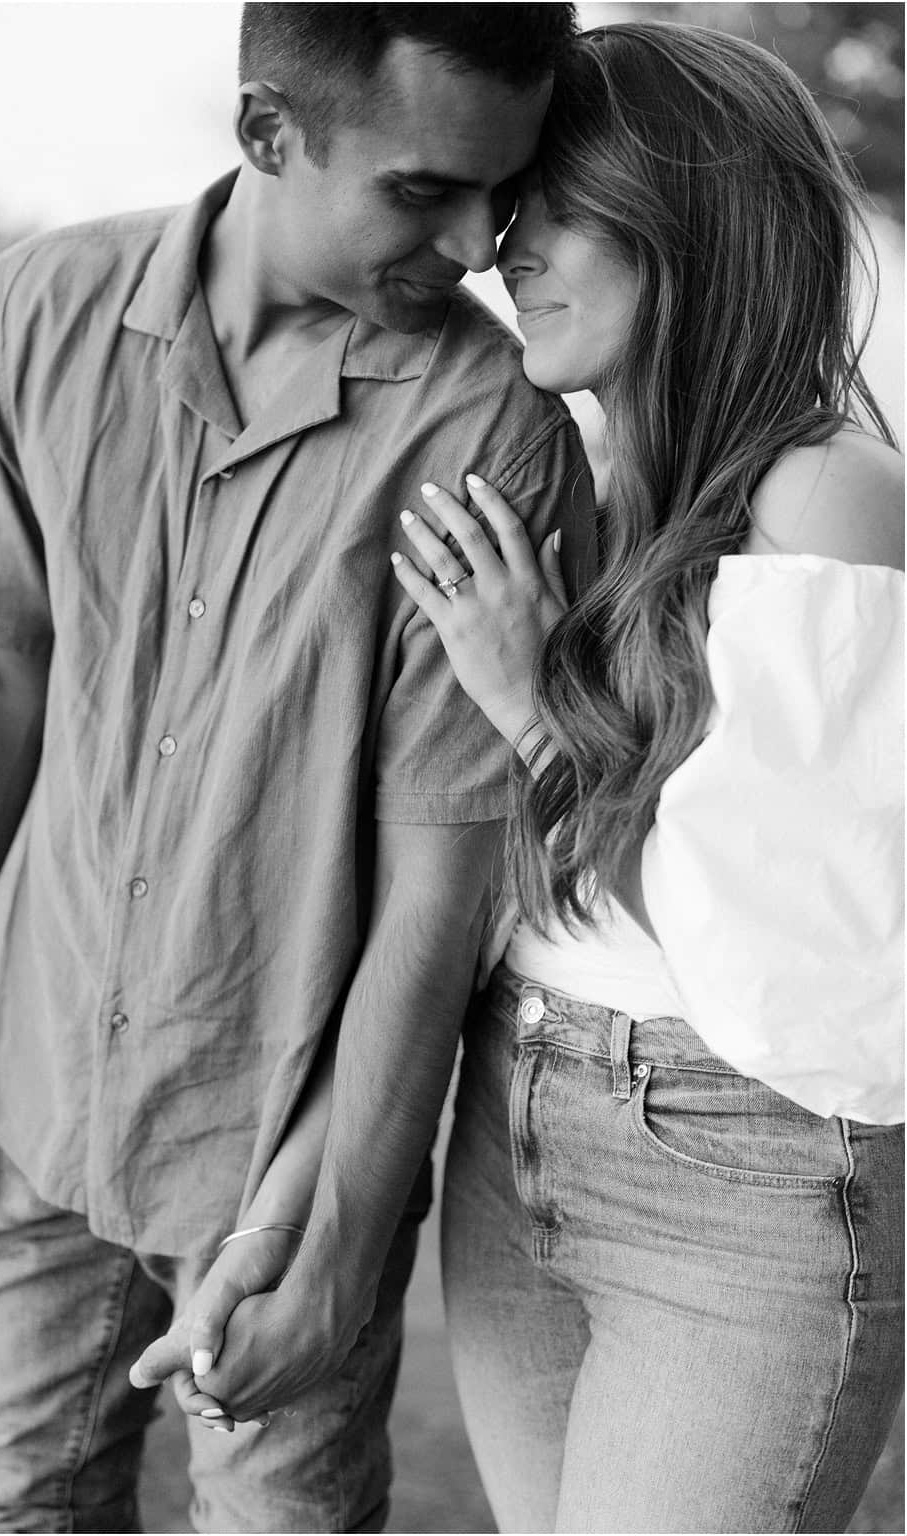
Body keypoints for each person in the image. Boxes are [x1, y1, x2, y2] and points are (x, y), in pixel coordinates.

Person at [0, 3, 593, 1529]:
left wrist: (336, 1252)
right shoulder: (41, 306)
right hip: (36, 1093)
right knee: (12, 1506)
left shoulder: (495, 430)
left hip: (283, 1163)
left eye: (499, 193)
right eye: (423, 191)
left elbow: (440, 890)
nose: (476, 246)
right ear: (268, 131)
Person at [375, 22, 904, 1531]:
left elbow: (787, 955)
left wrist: (531, 702)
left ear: (687, 211)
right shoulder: (602, 479)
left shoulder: (828, 502)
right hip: (520, 1119)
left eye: (549, 202)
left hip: (735, 1173)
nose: (500, 249)